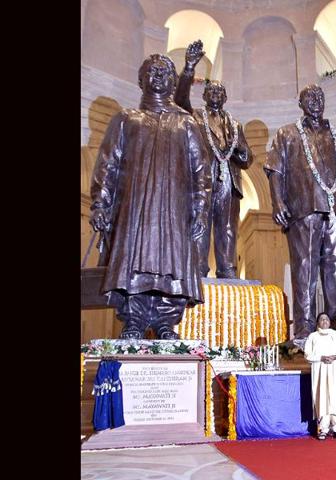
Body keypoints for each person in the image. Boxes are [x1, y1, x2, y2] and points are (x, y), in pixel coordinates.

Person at [89, 53, 211, 339]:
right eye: (153, 71)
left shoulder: (186, 123)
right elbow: (108, 165)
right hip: (135, 210)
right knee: (133, 264)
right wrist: (100, 205)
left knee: (173, 267)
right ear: (141, 80)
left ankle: (166, 322)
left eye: (166, 72)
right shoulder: (126, 119)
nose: (160, 76)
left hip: (174, 211)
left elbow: (201, 173)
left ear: (173, 82)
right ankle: (134, 320)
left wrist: (201, 210)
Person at [264, 84, 336, 347]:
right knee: (304, 269)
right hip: (304, 208)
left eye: (320, 97)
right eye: (310, 97)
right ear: (301, 103)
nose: (316, 101)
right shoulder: (287, 134)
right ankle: (304, 329)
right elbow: (275, 170)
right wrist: (277, 203)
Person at [174, 40, 253, 278]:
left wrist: (240, 150)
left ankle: (227, 269)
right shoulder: (196, 116)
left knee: (228, 227)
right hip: (203, 179)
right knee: (201, 222)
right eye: (212, 91)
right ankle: (198, 268)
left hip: (229, 181)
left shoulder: (236, 124)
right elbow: (179, 101)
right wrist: (189, 68)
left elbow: (247, 158)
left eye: (220, 91)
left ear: (226, 97)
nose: (216, 94)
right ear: (205, 95)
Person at [304, 312, 336, 440]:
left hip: (335, 370)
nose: (324, 321)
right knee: (322, 398)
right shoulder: (313, 337)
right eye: (322, 319)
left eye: (326, 319)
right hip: (321, 371)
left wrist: (335, 357)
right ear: (318, 323)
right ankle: (323, 429)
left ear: (330, 322)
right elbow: (307, 354)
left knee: (335, 398)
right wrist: (321, 358)